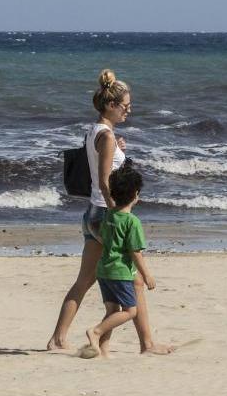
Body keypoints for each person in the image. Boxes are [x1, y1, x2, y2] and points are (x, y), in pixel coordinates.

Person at [46, 69, 172, 355]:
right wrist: (117, 213)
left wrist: (119, 149)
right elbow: (104, 180)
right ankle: (146, 344)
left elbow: (102, 163)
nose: (129, 110)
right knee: (135, 278)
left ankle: (58, 339)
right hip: (104, 215)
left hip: (92, 214)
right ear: (111, 105)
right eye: (125, 106)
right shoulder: (107, 136)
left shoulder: (97, 131)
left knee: (86, 280)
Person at [81, 160, 153, 359]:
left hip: (103, 270)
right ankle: (95, 331)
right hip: (120, 272)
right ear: (136, 195)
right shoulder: (132, 221)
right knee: (130, 311)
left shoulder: (110, 216)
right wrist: (147, 275)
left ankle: (103, 350)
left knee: (112, 310)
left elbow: (99, 233)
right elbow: (135, 252)